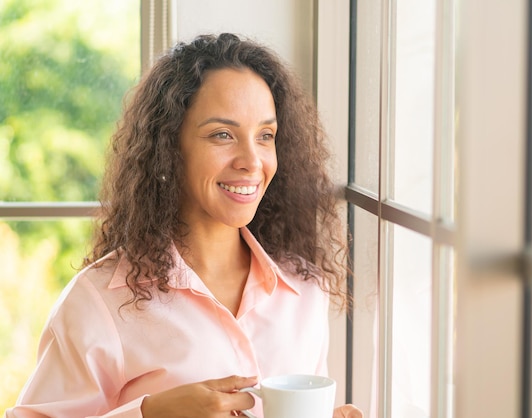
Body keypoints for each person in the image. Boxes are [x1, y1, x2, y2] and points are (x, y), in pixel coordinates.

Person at [5, 33, 363, 418]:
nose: (251, 160)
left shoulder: (304, 291)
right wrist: (150, 414)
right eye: (222, 135)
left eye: (265, 136)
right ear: (169, 147)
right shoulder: (100, 302)